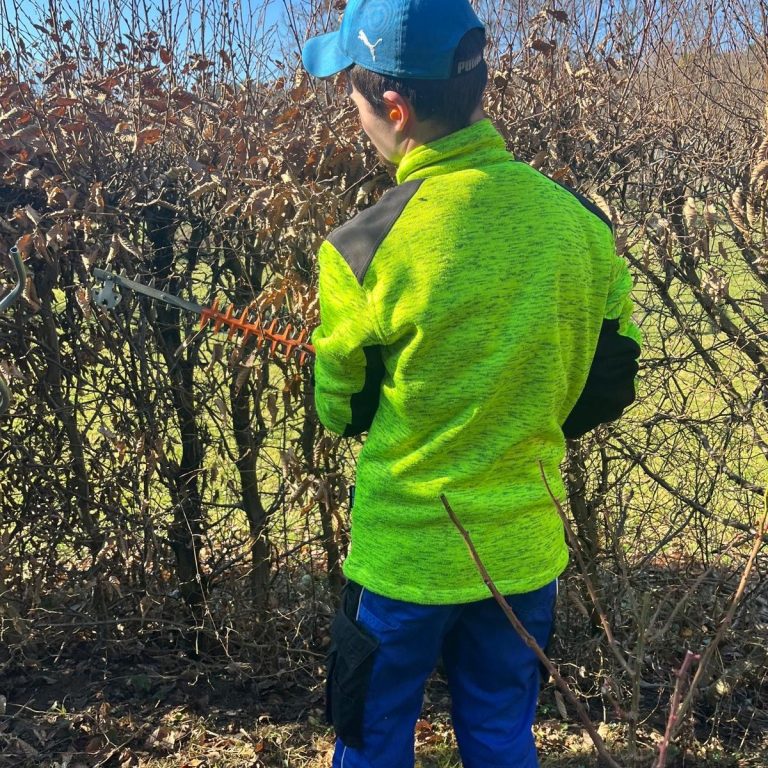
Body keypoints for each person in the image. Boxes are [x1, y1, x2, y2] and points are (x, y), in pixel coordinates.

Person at [301, 1, 642, 766]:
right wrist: (520, 412)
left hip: (401, 563)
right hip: (521, 555)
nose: (353, 114)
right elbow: (611, 375)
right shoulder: (580, 224)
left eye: (352, 98)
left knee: (371, 737)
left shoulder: (360, 247)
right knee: (499, 735)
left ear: (394, 108)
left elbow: (339, 409)